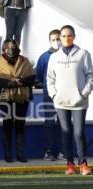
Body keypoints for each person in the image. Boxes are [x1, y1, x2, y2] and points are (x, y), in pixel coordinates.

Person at [47, 25, 93, 175]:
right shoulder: (54, 57)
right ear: (60, 38)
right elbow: (50, 79)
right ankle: (70, 164)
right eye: (64, 36)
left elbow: (90, 76)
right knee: (65, 132)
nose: (66, 38)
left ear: (74, 36)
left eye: (69, 35)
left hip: (79, 102)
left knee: (79, 133)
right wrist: (54, 95)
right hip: (61, 103)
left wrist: (84, 94)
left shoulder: (83, 54)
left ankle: (83, 164)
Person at [0, 39, 35, 163]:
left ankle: (20, 154)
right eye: (9, 48)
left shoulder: (25, 61)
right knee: (7, 124)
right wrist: (12, 83)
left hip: (22, 98)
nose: (12, 49)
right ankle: (8, 154)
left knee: (20, 124)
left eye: (14, 47)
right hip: (5, 98)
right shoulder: (0, 62)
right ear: (4, 49)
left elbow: (32, 78)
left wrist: (20, 82)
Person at [36, 29, 64, 161]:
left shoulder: (69, 55)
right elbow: (39, 76)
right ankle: (48, 151)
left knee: (63, 123)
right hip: (49, 95)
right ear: (49, 41)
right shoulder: (44, 57)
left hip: (65, 95)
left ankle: (63, 151)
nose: (56, 42)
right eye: (53, 39)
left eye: (58, 39)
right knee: (49, 122)